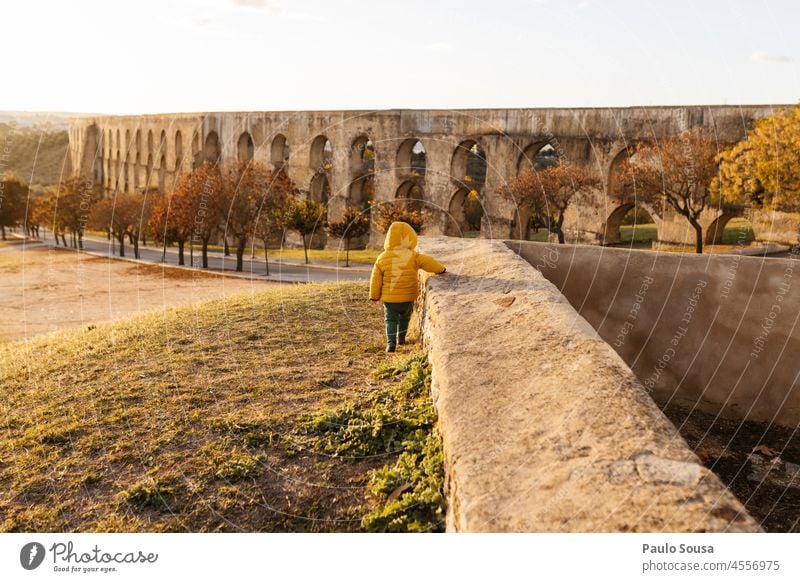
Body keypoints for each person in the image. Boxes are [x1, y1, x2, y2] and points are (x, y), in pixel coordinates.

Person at [369, 221, 446, 352]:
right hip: (408, 297)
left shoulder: (382, 258)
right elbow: (429, 263)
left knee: (390, 320)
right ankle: (401, 338)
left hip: (390, 299)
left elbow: (375, 278)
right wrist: (441, 269)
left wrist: (374, 295)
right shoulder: (413, 256)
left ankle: (391, 342)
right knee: (405, 317)